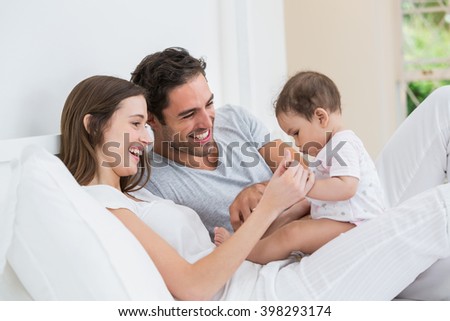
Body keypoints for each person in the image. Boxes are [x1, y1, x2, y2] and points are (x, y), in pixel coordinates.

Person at [59, 74, 450, 300]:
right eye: (136, 125)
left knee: (442, 104)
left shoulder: (133, 190)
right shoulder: (113, 203)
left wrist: (278, 193)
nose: (143, 137)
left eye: (208, 105)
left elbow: (298, 158)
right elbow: (193, 286)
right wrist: (268, 210)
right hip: (276, 285)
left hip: (316, 217)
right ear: (93, 126)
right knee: (439, 210)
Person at [130, 47, 309, 240]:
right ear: (152, 119)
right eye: (189, 114)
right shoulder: (150, 183)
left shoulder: (235, 118)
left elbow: (303, 172)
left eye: (209, 104)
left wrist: (261, 189)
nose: (207, 122)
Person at [214, 71, 385, 264]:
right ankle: (249, 241)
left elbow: (347, 187)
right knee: (295, 218)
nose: (295, 143)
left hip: (357, 225)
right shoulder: (330, 147)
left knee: (293, 233)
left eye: (296, 133)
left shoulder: (343, 143)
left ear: (321, 118)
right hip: (343, 220)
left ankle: (246, 253)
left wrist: (304, 185)